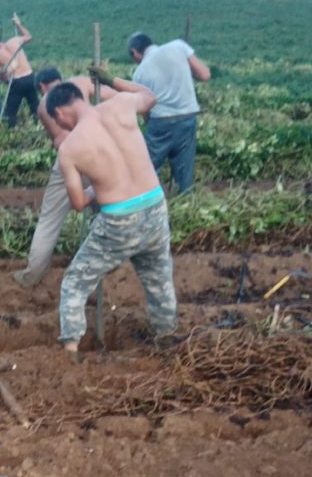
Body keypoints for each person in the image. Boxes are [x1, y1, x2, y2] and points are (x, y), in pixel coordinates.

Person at [45, 71, 178, 354]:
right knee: (160, 282)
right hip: (155, 207)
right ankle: (167, 342)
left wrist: (98, 188)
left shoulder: (70, 148)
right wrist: (112, 81)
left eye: (58, 122)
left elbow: (79, 202)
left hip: (119, 221)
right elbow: (150, 97)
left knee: (75, 282)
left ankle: (70, 349)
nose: (61, 127)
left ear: (60, 111)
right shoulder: (121, 105)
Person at [13, 67, 115, 289]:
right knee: (108, 206)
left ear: (41, 86)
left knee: (50, 218)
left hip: (71, 157)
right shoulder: (82, 82)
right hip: (100, 152)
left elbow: (61, 142)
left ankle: (33, 273)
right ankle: (110, 266)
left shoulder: (44, 106)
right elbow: (117, 99)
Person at [127, 32, 211, 193]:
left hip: (160, 122)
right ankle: (187, 202)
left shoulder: (139, 73)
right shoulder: (178, 46)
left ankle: (147, 201)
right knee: (185, 170)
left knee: (148, 168)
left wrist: (149, 124)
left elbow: (144, 109)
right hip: (187, 117)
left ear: (134, 52)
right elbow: (205, 75)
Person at [0, 14, 39, 127]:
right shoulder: (14, 41)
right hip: (30, 77)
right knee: (34, 105)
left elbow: (2, 76)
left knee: (11, 111)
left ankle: (11, 129)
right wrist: (18, 24)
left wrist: (9, 82)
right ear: (1, 42)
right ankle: (38, 125)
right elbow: (29, 36)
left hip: (16, 81)